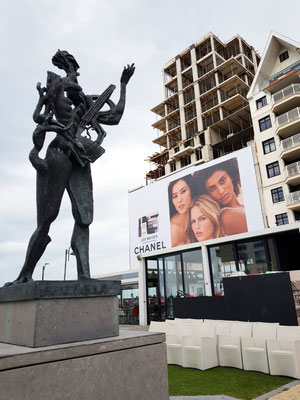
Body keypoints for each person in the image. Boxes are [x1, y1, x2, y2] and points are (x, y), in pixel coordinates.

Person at [5, 50, 134, 286]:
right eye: (70, 65)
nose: (73, 69)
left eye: (73, 66)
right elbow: (39, 119)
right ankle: (25, 273)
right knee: (47, 217)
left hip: (79, 161)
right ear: (66, 66)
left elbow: (114, 117)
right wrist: (36, 150)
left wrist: (123, 84)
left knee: (84, 218)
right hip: (58, 155)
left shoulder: (85, 102)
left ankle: (83, 274)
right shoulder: (57, 88)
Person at [195, 158, 247, 235]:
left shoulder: (241, 207)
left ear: (231, 176)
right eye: (212, 188)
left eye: (222, 181)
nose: (221, 191)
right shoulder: (226, 215)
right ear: (207, 194)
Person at [168, 175, 194, 247]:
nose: (179, 200)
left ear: (191, 190)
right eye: (175, 196)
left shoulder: (199, 212)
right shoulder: (173, 229)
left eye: (183, 191)